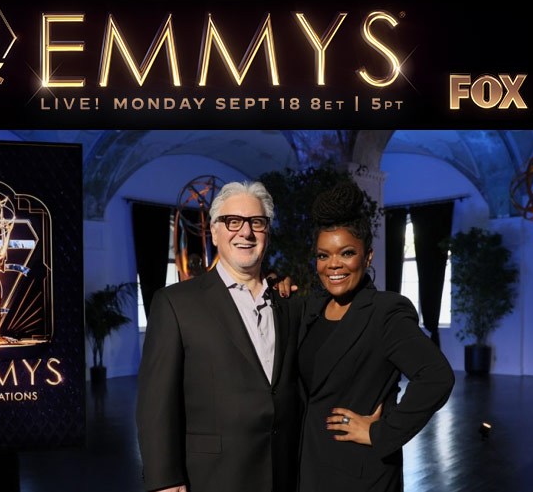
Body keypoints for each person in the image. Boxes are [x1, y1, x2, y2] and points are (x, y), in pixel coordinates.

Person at [136, 181, 302, 492]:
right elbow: (155, 403)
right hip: (212, 477)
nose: (246, 232)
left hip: (284, 473)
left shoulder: (289, 304)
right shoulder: (176, 303)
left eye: (257, 222)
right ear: (214, 231)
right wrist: (165, 480)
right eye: (233, 221)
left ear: (268, 231)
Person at [298, 182, 455, 492]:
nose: (334, 265)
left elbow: (437, 377)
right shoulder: (310, 308)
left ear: (367, 256)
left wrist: (381, 432)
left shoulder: (385, 311)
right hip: (309, 466)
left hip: (360, 473)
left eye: (346, 253)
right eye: (323, 255)